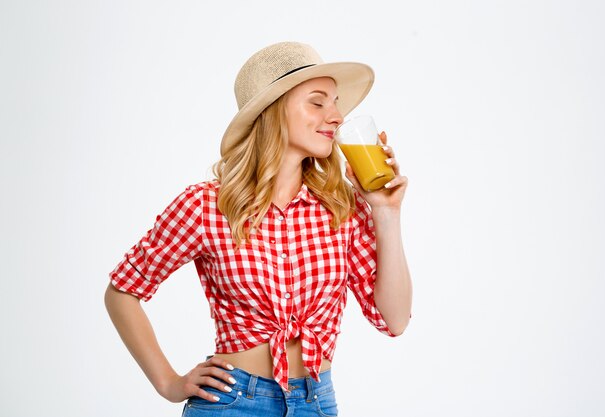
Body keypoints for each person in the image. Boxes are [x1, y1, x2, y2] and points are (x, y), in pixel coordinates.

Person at [105, 41, 412, 416]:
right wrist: (169, 383)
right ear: (271, 111)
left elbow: (394, 320)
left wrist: (386, 212)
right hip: (233, 402)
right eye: (318, 102)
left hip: (316, 403)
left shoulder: (341, 207)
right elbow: (123, 290)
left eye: (335, 103)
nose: (336, 116)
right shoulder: (206, 206)